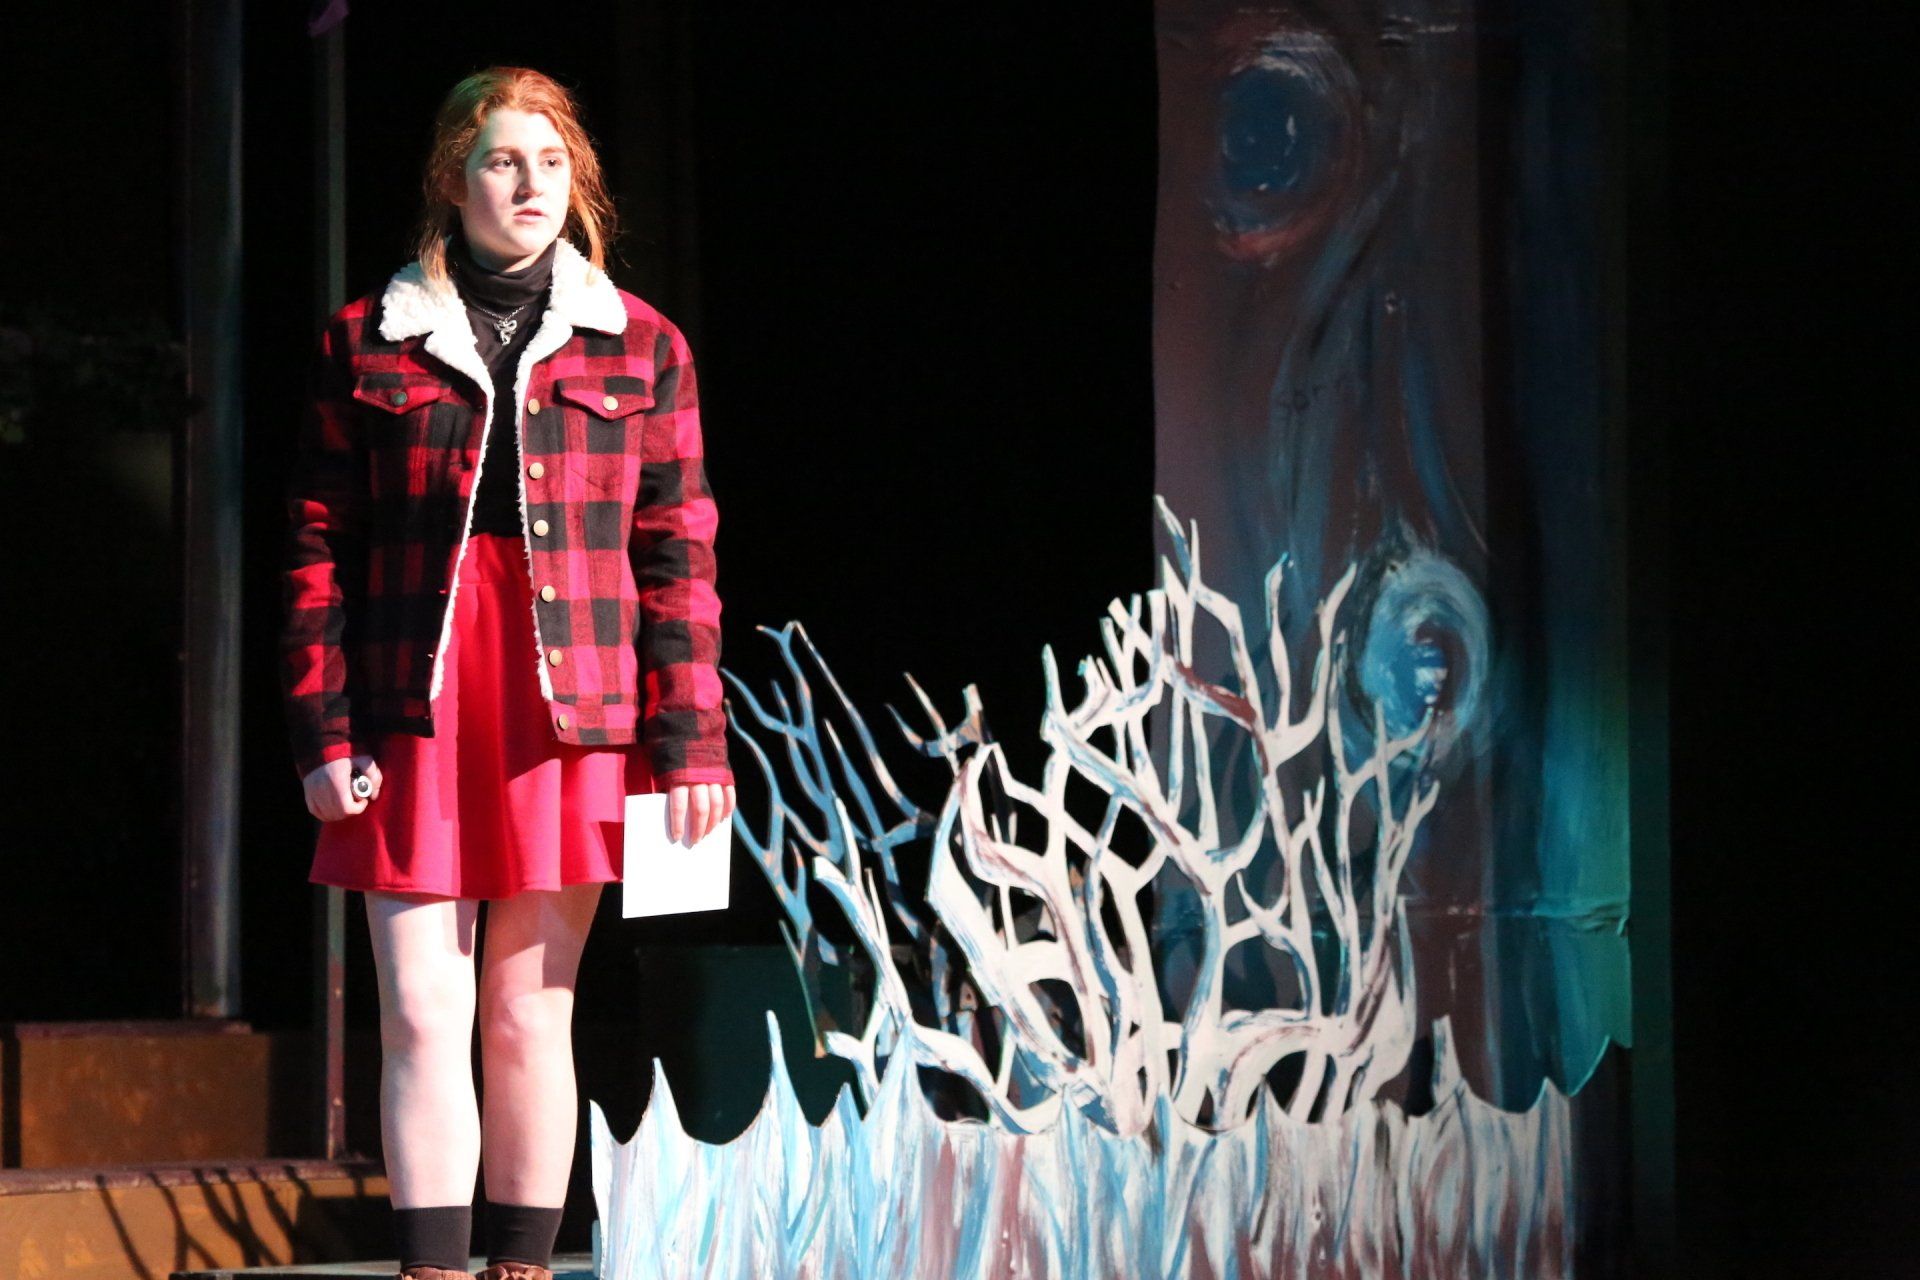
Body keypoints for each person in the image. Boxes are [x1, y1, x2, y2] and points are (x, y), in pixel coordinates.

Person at [280, 66, 736, 1280]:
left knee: (531, 1008)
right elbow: (317, 546)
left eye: (550, 162)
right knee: (421, 1008)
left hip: (567, 690)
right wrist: (323, 729)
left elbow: (679, 552)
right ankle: (433, 1268)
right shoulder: (366, 337)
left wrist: (691, 740)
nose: (530, 184)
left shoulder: (642, 342)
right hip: (412, 687)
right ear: (453, 178)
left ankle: (524, 1265)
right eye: (501, 160)